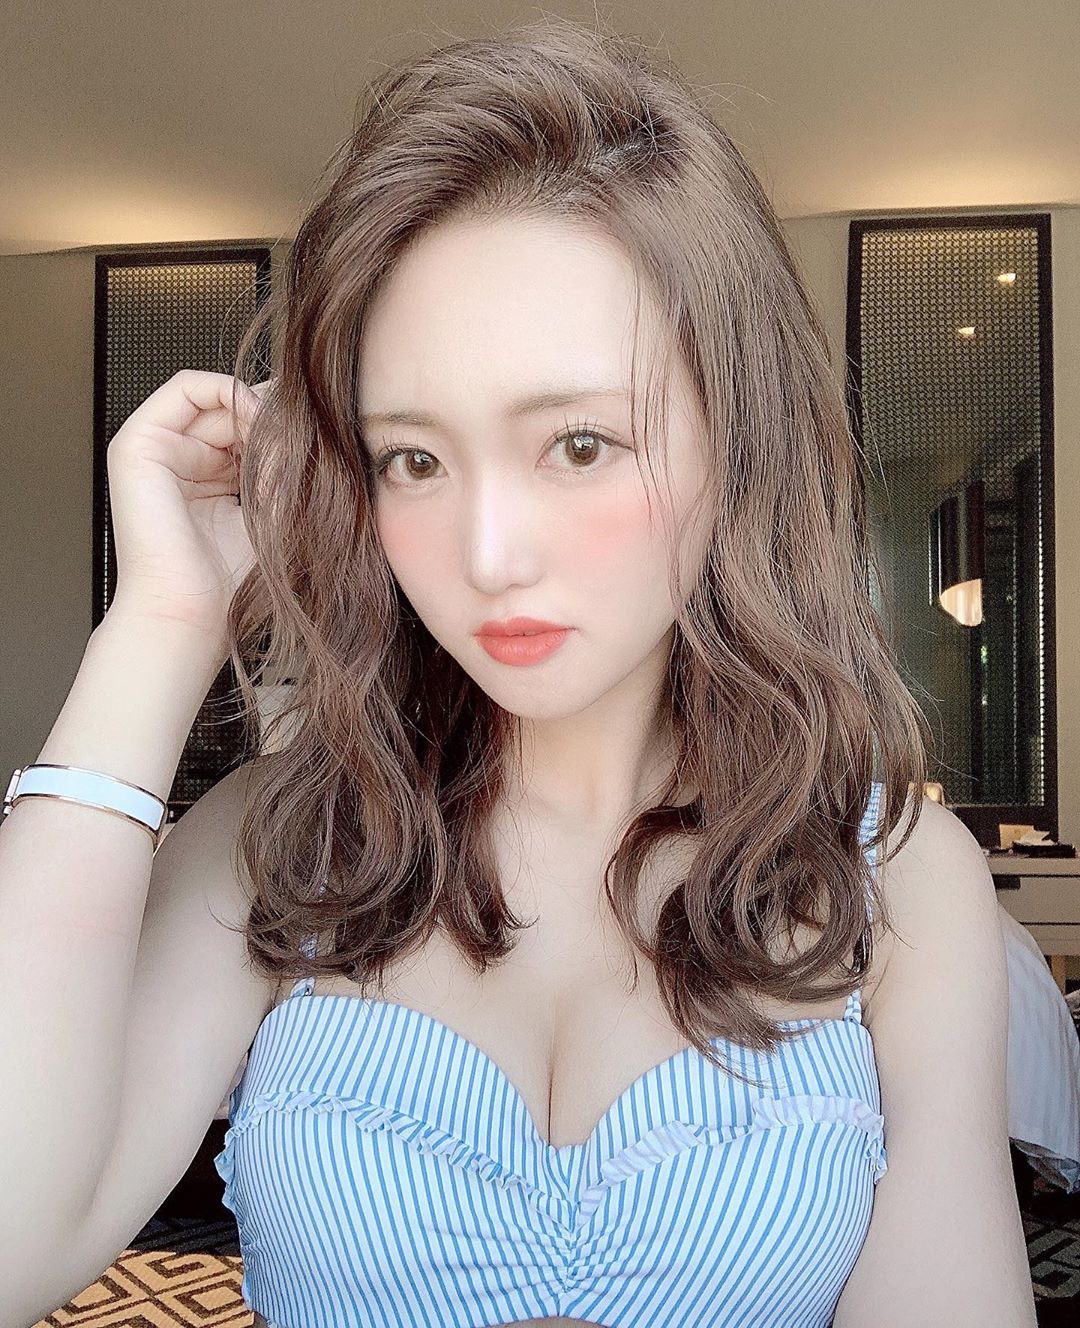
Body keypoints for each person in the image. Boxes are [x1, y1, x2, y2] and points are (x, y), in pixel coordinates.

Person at [0, 15, 1036, 1328]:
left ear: (741, 443)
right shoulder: (285, 846)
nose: (488, 556)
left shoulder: (890, 878)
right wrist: (160, 622)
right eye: (415, 460)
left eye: (580, 445)